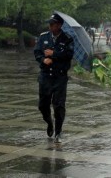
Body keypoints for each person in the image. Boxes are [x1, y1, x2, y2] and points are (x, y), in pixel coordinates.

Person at [34, 13, 74, 143]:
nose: (50, 26)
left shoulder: (67, 39)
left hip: (60, 77)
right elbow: (37, 52)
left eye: (53, 24)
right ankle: (49, 122)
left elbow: (69, 55)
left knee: (59, 105)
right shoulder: (43, 37)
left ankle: (58, 131)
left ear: (59, 25)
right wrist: (43, 60)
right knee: (42, 105)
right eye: (49, 24)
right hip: (45, 77)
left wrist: (54, 54)